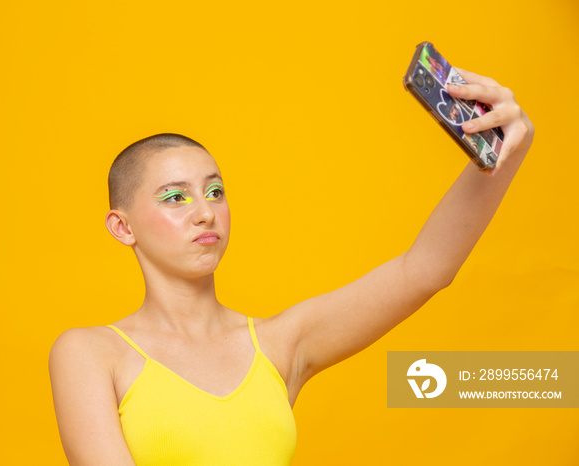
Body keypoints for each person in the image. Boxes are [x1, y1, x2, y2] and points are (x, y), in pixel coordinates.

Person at [48, 67, 534, 465]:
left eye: (215, 192)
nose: (204, 211)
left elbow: (424, 270)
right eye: (176, 197)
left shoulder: (279, 345)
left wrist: (502, 155)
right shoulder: (91, 353)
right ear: (122, 227)